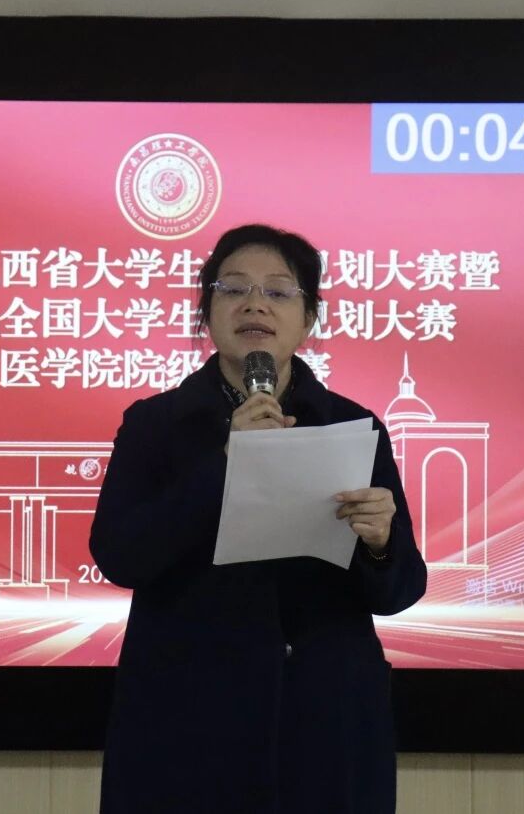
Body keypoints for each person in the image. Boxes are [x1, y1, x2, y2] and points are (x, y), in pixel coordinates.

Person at [90, 223, 428, 813]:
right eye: (233, 289)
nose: (254, 305)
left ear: (309, 319)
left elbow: (401, 590)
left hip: (324, 720)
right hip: (188, 720)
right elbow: (120, 555)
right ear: (207, 311)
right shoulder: (155, 426)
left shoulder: (352, 426)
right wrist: (225, 464)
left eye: (277, 291)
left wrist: (380, 543)